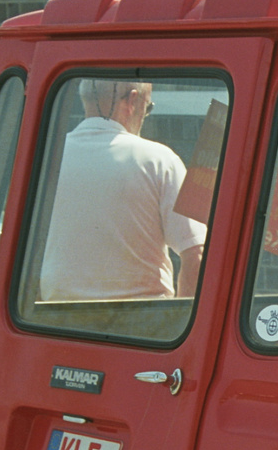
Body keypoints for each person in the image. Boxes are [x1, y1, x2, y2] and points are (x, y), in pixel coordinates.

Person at [37, 79, 204, 300]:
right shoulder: (160, 160)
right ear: (133, 100)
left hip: (53, 322)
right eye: (149, 107)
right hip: (144, 325)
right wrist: (185, 326)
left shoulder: (45, 158)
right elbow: (196, 255)